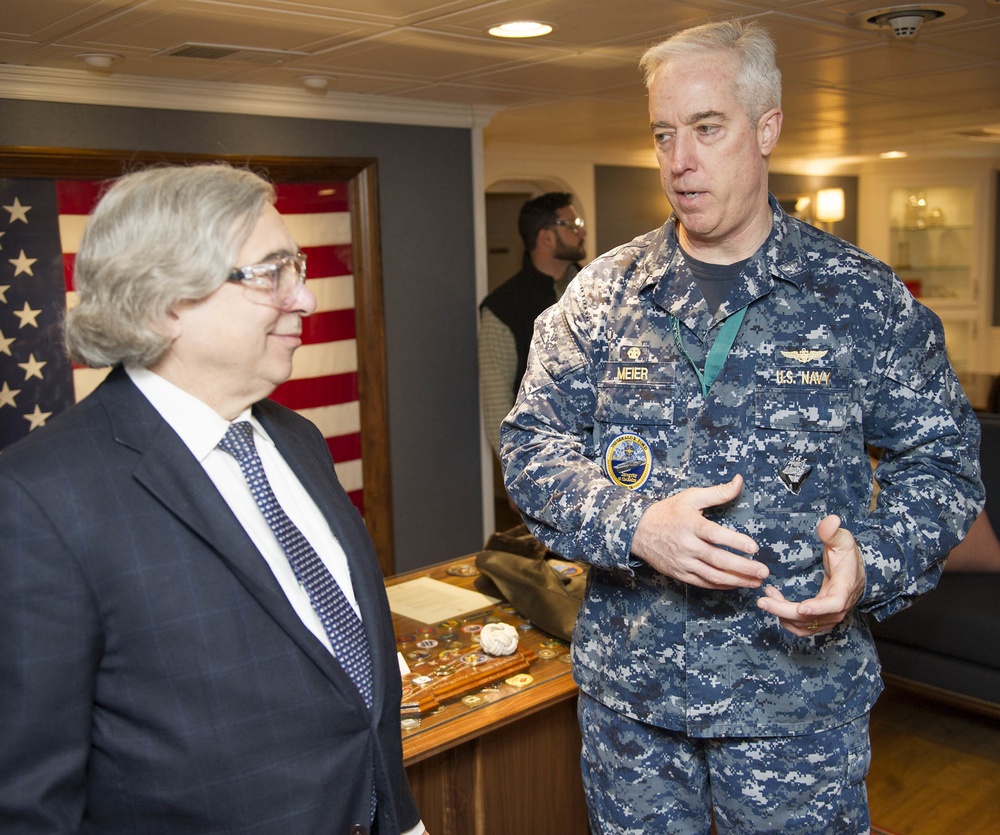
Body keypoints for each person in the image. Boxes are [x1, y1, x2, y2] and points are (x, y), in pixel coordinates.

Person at [500, 18, 983, 835]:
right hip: (636, 715)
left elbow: (942, 465)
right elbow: (530, 445)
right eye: (663, 133)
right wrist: (635, 524)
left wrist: (869, 563)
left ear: (766, 130)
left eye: (707, 128)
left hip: (797, 709)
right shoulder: (601, 296)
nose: (678, 160)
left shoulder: (858, 298)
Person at [0, 164, 426, 835]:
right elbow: (26, 803)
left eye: (298, 266)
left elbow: (346, 690)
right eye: (271, 272)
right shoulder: (39, 499)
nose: (307, 298)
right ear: (164, 302)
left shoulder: (298, 440)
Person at [479, 191, 587, 455]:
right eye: (572, 226)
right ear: (546, 237)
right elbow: (496, 399)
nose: (581, 232)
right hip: (540, 456)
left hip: (599, 455)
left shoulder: (596, 288)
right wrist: (515, 468)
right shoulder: (503, 306)